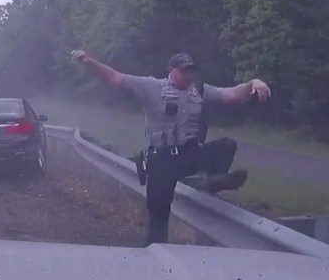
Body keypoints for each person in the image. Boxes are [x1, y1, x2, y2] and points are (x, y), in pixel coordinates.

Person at [70, 49, 271, 244]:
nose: (188, 75)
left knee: (227, 145)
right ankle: (155, 252)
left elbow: (232, 95)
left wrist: (253, 83)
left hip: (189, 154)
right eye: (184, 71)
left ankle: (210, 181)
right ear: (171, 70)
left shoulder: (200, 91)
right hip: (161, 159)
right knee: (158, 217)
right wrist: (90, 62)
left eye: (191, 71)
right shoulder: (152, 87)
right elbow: (114, 77)